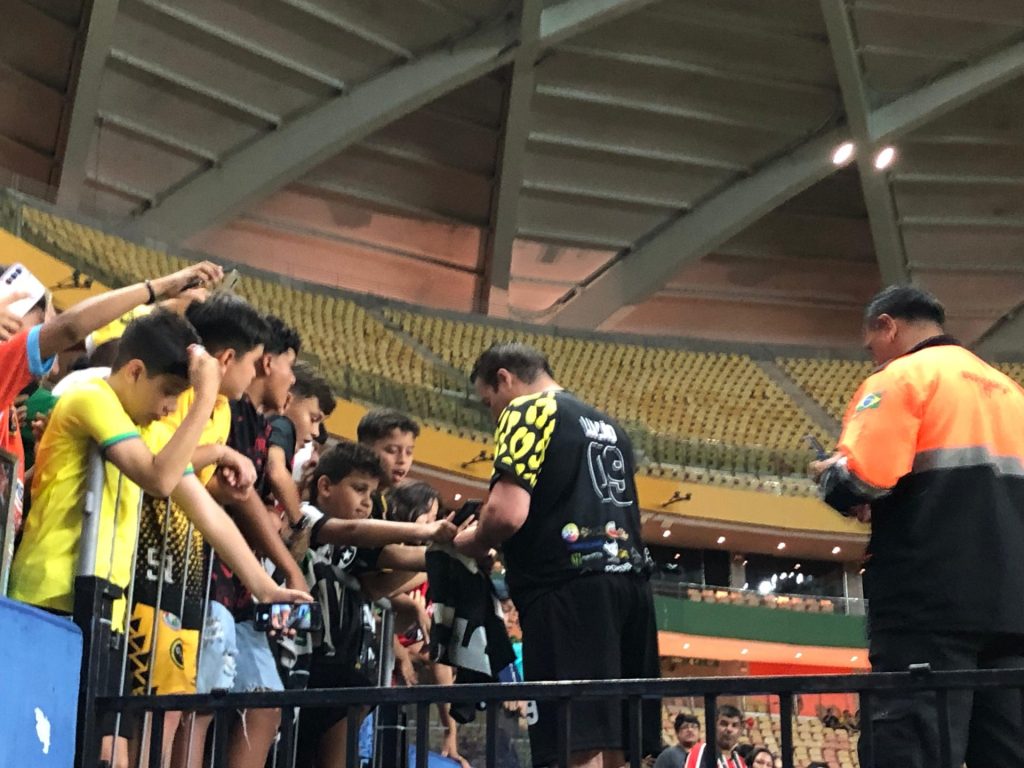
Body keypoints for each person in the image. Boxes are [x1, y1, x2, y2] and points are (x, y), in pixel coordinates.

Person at [8, 309, 308, 768]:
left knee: (113, 755)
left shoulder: (142, 426)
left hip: (105, 608)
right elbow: (160, 479)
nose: (171, 407)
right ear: (134, 371)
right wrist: (206, 395)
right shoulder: (92, 397)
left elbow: (204, 508)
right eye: (169, 394)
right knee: (39, 744)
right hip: (49, 599)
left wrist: (263, 585)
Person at [810, 285, 1024, 768]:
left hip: (928, 607)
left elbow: (861, 478)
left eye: (872, 347)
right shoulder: (1010, 391)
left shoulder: (903, 377)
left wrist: (829, 476)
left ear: (888, 326)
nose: (873, 360)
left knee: (912, 750)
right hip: (1013, 611)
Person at [455, 342, 660, 768]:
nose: (493, 413)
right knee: (621, 746)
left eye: (489, 401)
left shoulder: (529, 410)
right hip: (631, 588)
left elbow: (506, 514)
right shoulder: (609, 425)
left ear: (504, 378)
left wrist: (468, 541)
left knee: (574, 740)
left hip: (568, 590)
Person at [290, 441, 458, 767]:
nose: (367, 502)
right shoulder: (305, 517)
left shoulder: (354, 549)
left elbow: (393, 563)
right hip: (308, 670)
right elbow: (355, 529)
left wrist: (455, 551)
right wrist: (426, 532)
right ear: (324, 486)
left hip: (348, 675)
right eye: (359, 489)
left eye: (372, 493)